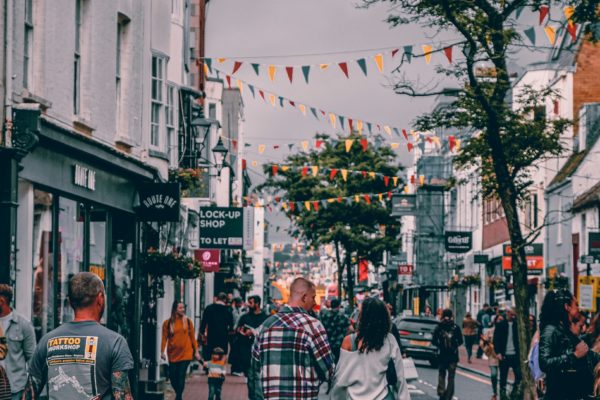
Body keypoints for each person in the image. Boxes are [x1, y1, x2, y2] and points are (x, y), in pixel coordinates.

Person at [27, 272, 134, 399]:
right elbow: (122, 396)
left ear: (70, 302)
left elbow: (29, 394)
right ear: (100, 299)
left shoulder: (48, 341)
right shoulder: (115, 342)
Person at [252, 277, 334, 400]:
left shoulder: (265, 326)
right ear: (304, 297)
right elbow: (329, 370)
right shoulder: (313, 326)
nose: (315, 303)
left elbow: (255, 365)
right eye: (313, 297)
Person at [329, 297, 410, 400]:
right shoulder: (390, 340)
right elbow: (400, 377)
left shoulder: (349, 341)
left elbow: (340, 378)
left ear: (362, 317)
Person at [539, 289, 599, 400]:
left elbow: (586, 354)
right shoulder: (550, 330)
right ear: (567, 307)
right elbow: (544, 363)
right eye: (576, 304)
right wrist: (574, 356)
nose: (579, 308)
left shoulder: (565, 331)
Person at [0, 284, 36, 400]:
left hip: (15, 389)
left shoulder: (23, 325)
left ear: (1, 301)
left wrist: (31, 386)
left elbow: (32, 358)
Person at [160, 301, 200, 400]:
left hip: (186, 353)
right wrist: (162, 351)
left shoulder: (188, 321)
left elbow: (192, 338)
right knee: (173, 377)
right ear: (175, 309)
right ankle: (178, 393)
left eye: (183, 308)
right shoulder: (167, 323)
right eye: (180, 308)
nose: (183, 310)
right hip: (173, 354)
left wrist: (196, 351)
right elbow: (164, 338)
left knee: (181, 374)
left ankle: (178, 397)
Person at [234, 295, 268, 398]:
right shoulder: (245, 317)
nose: (248, 305)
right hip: (247, 351)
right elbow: (237, 330)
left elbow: (268, 333)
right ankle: (252, 397)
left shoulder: (265, 318)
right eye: (248, 302)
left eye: (251, 302)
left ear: (257, 304)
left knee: (258, 377)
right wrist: (243, 332)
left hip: (261, 352)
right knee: (250, 378)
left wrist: (253, 333)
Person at [432, 309, 463, 400]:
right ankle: (449, 395)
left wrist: (440, 345)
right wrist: (455, 345)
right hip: (453, 356)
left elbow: (434, 341)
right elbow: (460, 341)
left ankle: (441, 391)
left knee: (441, 374)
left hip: (442, 355)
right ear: (451, 316)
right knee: (451, 376)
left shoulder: (439, 327)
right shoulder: (456, 327)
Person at [492, 308, 522, 399]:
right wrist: (498, 353)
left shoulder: (517, 325)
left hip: (515, 355)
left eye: (514, 315)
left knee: (519, 376)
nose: (513, 317)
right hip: (504, 355)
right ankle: (503, 395)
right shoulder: (500, 325)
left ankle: (513, 393)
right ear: (507, 313)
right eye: (512, 315)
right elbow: (496, 340)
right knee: (503, 377)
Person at [199, 293, 233, 362]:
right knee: (222, 353)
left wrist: (202, 332)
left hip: (211, 334)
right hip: (223, 335)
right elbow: (231, 324)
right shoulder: (227, 310)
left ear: (217, 298)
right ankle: (220, 369)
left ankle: (210, 368)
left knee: (211, 352)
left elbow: (204, 321)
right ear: (224, 300)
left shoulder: (209, 308)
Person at [319, 297, 350, 362]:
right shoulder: (343, 316)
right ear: (339, 305)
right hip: (339, 344)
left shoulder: (325, 315)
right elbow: (349, 329)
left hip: (327, 343)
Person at [480, 318, 500, 400]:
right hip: (493, 356)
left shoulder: (506, 329)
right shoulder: (490, 331)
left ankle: (503, 392)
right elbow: (482, 343)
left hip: (503, 356)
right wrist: (487, 350)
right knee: (494, 374)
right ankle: (494, 392)